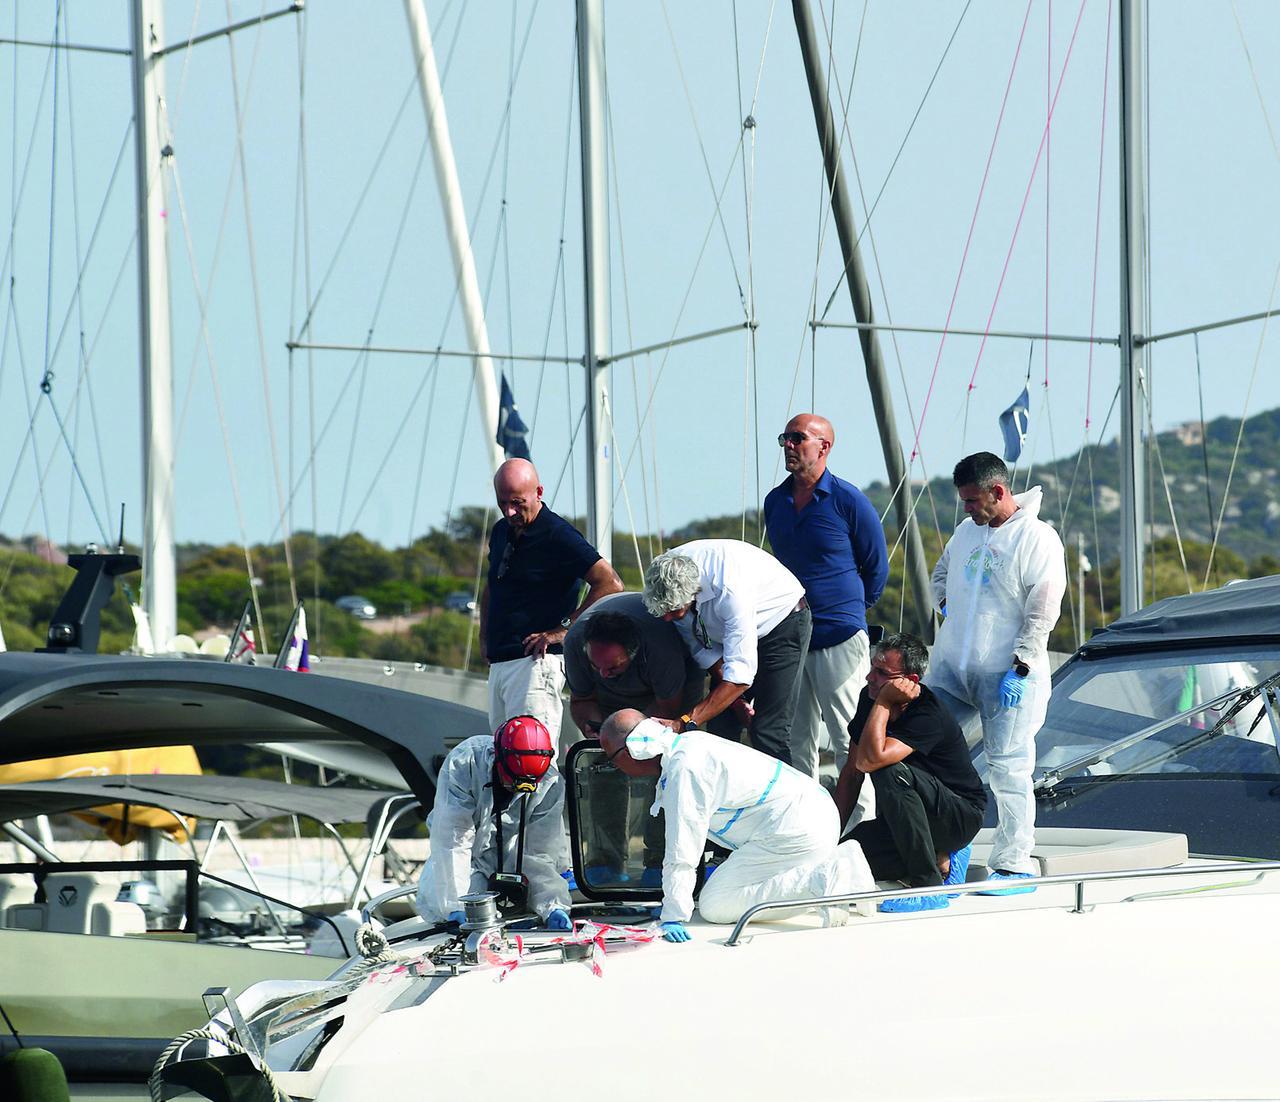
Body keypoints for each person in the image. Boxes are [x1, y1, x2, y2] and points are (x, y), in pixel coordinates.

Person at [599, 709, 873, 941]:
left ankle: (821, 879)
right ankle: (841, 860)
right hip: (808, 819)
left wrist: (673, 914)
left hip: (795, 829)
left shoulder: (686, 769)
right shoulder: (690, 746)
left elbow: (683, 849)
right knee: (730, 890)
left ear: (630, 751)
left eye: (610, 757)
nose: (614, 765)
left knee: (715, 904)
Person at [927, 452, 1066, 892]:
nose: (966, 508)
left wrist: (1022, 663)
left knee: (1008, 768)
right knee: (926, 749)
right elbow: (941, 574)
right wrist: (953, 609)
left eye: (971, 500)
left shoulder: (1037, 538)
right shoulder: (967, 533)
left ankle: (1014, 862)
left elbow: (1042, 606)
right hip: (953, 667)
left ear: (998, 492)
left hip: (1009, 673)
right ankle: (942, 846)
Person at [764, 413, 889, 802]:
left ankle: (863, 826)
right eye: (785, 438)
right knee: (796, 738)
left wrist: (850, 611)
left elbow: (877, 566)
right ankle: (806, 826)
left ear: (824, 446)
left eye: (798, 438)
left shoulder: (849, 500)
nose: (788, 445)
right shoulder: (775, 501)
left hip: (838, 635)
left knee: (848, 734)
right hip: (790, 638)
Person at [837, 633, 987, 913]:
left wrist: (882, 702)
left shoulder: (927, 713)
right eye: (872, 667)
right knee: (842, 859)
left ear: (910, 681)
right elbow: (852, 771)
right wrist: (829, 836)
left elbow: (872, 761)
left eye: (882, 673)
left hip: (958, 815)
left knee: (889, 770)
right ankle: (940, 857)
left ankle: (928, 886)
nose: (870, 677)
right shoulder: (869, 697)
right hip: (908, 823)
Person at [563, 593, 704, 886]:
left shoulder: (660, 648)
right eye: (596, 666)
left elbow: (668, 710)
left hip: (664, 698)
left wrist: (632, 737)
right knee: (604, 762)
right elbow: (581, 700)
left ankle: (660, 859)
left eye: (612, 667)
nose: (604, 673)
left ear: (634, 652)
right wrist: (600, 732)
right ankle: (605, 861)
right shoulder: (576, 643)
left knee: (662, 766)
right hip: (607, 704)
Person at [481, 458, 623, 745]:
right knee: (504, 756)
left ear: (539, 492)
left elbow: (610, 583)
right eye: (503, 503)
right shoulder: (501, 531)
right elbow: (492, 584)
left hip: (535, 665)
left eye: (517, 503)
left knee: (533, 757)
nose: (510, 511)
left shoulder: (557, 534)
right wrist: (485, 635)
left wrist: (564, 628)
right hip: (501, 662)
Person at [641, 539, 810, 766]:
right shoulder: (665, 578)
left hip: (781, 621)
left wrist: (684, 722)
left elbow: (740, 677)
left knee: (767, 729)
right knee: (720, 726)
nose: (666, 619)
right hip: (723, 630)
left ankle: (786, 799)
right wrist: (735, 700)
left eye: (673, 612)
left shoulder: (730, 590)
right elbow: (702, 648)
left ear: (693, 594)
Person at [415, 715, 572, 928]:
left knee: (544, 898)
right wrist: (456, 905)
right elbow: (453, 841)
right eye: (516, 781)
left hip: (512, 864)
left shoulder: (550, 783)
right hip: (465, 863)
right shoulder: (465, 762)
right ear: (498, 757)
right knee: (450, 897)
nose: (520, 789)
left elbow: (539, 853)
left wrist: (552, 904)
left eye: (529, 783)